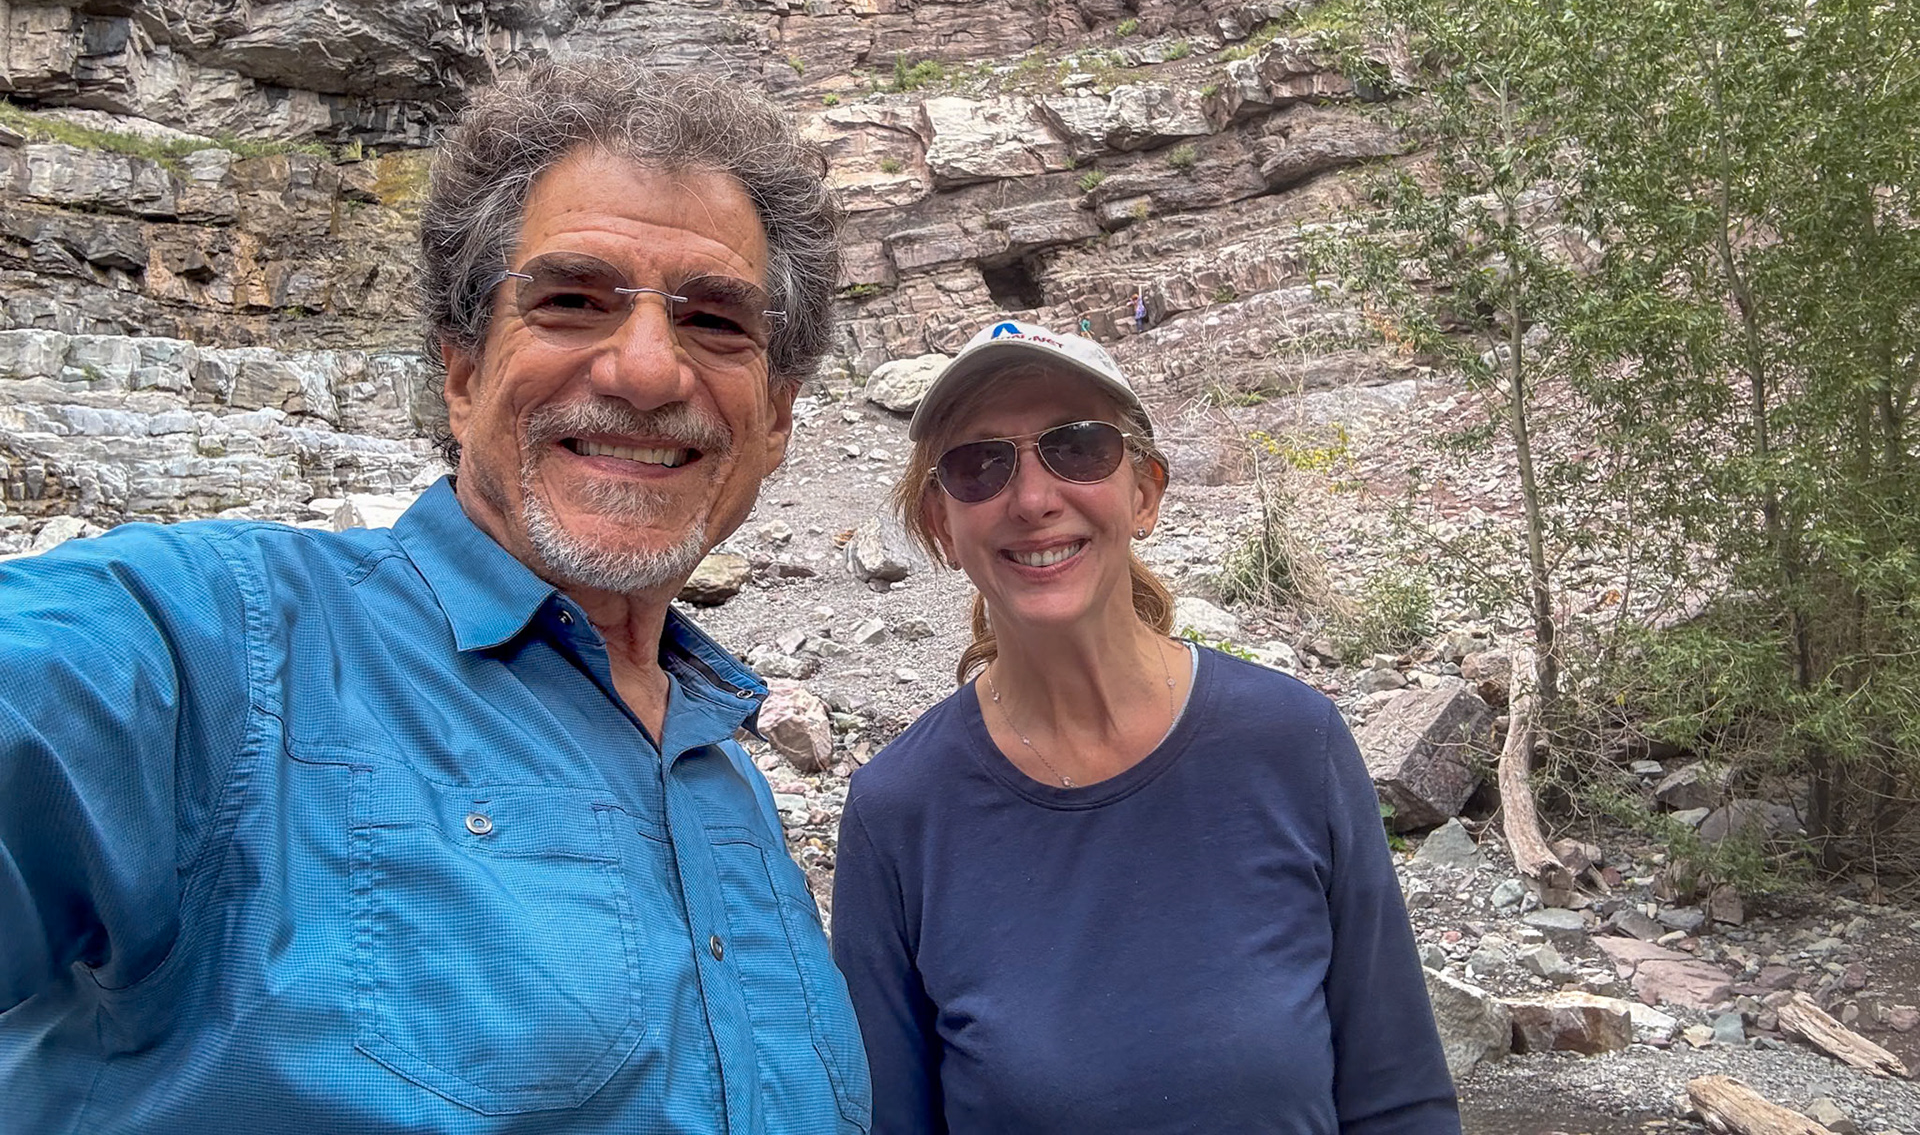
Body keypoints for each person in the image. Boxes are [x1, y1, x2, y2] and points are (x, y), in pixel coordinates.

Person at [0, 61, 871, 1134]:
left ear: (777, 418)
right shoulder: (219, 644)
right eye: (570, 301)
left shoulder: (723, 770)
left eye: (717, 324)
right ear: (461, 376)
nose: (647, 371)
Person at [830, 319, 1458, 1135]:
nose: (1031, 499)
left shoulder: (1291, 741)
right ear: (942, 524)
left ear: (1146, 492)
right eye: (978, 466)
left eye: (1079, 448)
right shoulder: (898, 811)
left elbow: (1399, 1100)